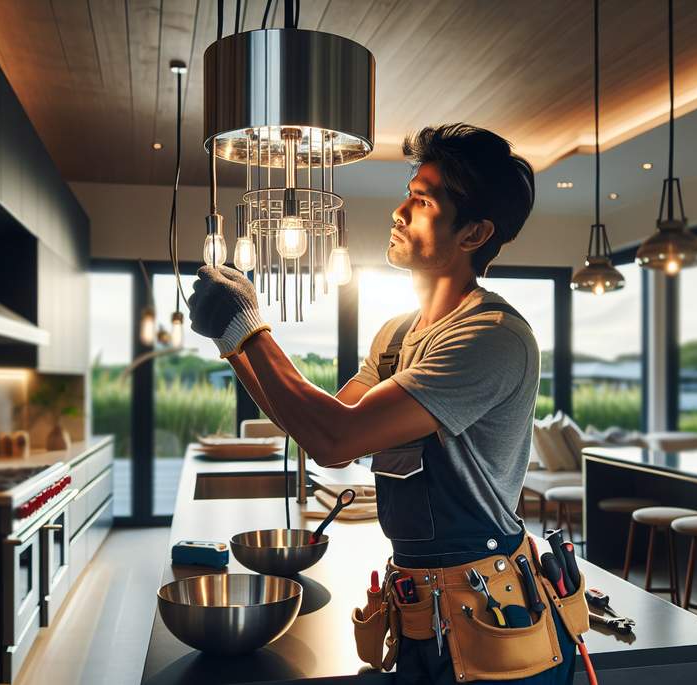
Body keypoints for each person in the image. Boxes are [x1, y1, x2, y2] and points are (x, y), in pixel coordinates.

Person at [186, 124, 580, 683]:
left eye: (421, 200)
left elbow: (335, 436)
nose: (399, 211)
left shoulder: (490, 337)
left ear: (475, 233)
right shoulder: (398, 336)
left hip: (495, 616)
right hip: (418, 609)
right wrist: (234, 346)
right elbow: (323, 437)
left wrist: (251, 328)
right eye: (408, 193)